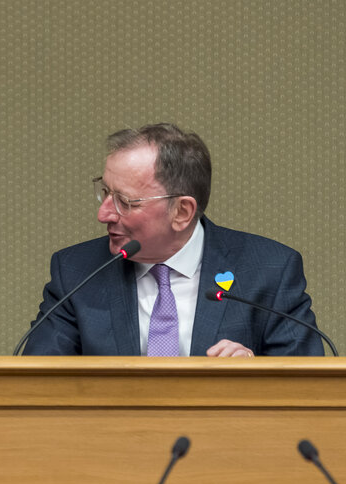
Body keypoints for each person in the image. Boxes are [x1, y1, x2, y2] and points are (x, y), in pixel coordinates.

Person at [23, 123, 323, 357]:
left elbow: (307, 388)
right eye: (105, 193)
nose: (104, 214)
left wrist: (251, 377)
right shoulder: (77, 272)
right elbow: (40, 382)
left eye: (125, 201)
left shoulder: (270, 270)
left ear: (182, 211)